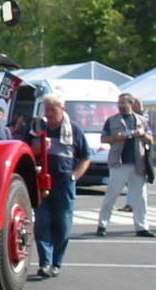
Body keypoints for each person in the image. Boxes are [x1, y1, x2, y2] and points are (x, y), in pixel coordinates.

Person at [26, 93, 91, 278]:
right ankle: (45, 263)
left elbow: (86, 157)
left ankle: (56, 262)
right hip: (40, 182)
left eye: (52, 110)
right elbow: (23, 151)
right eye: (46, 110)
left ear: (62, 109)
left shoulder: (74, 130)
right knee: (42, 223)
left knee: (62, 224)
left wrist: (75, 176)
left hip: (64, 184)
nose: (48, 114)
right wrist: (38, 149)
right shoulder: (36, 128)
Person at [95, 93, 154, 237]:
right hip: (119, 162)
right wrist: (116, 137)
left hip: (138, 162)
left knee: (141, 196)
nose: (120, 106)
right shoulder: (112, 120)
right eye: (119, 103)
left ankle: (142, 227)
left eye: (123, 103)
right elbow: (103, 139)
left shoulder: (142, 120)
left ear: (131, 104)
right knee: (112, 194)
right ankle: (102, 225)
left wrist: (142, 134)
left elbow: (151, 139)